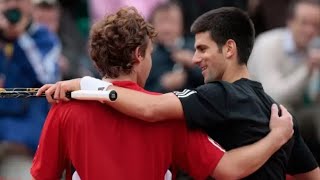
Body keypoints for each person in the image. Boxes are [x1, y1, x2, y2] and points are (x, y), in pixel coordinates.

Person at [42, 7, 320, 179]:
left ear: (230, 49)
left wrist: (86, 84)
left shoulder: (64, 109)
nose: (195, 58)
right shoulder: (280, 114)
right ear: (139, 55)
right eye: (151, 53)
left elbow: (44, 176)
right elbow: (229, 170)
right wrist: (279, 136)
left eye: (202, 49)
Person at [248, 0, 320, 163]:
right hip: (260, 113)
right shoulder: (268, 44)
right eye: (304, 23)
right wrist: (307, 70)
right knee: (285, 113)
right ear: (290, 21)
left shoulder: (313, 48)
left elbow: (313, 96)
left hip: (295, 112)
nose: (310, 31)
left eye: (316, 25)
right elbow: (274, 96)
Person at [0, 0, 60, 179]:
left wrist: (21, 37)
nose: (12, 6)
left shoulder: (44, 38)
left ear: (29, 5)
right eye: (6, 1)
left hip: (22, 141)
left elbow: (46, 77)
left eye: (18, 1)